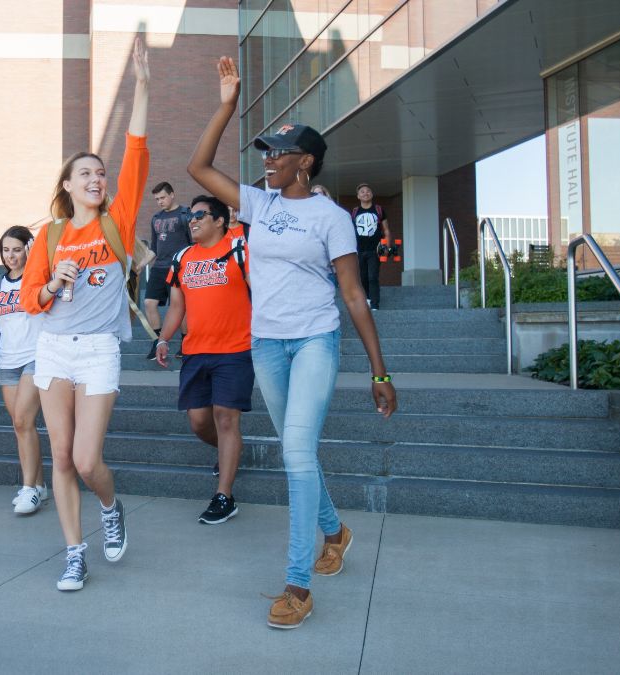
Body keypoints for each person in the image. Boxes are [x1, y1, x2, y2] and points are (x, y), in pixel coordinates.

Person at [188, 57, 397, 630]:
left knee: (296, 454)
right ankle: (335, 531)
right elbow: (198, 166)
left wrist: (380, 372)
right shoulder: (262, 205)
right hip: (267, 345)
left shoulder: (332, 218)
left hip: (314, 342)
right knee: (296, 449)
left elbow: (354, 296)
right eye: (265, 154)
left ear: (306, 162)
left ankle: (297, 584)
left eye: (277, 154)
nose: (267, 161)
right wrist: (226, 105)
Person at [20, 37, 150, 593]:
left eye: (102, 172)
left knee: (87, 457)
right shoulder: (49, 235)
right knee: (62, 459)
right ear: (68, 186)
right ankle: (74, 552)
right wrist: (51, 282)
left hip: (98, 349)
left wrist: (143, 87)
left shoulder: (116, 220)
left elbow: (138, 151)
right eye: (87, 174)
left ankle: (111, 505)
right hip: (53, 349)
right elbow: (29, 299)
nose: (98, 179)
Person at [155, 194, 251, 525]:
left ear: (220, 220)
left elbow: (261, 293)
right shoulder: (182, 258)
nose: (191, 220)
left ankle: (224, 496)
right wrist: (163, 338)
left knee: (226, 417)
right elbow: (177, 306)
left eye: (199, 215)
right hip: (195, 352)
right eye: (190, 216)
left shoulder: (240, 250)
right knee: (199, 421)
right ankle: (231, 452)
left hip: (236, 349)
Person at [0, 226, 47, 515]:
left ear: (28, 249)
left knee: (22, 420)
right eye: (6, 250)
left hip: (36, 357)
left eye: (17, 249)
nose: (11, 255)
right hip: (8, 361)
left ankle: (28, 489)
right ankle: (39, 486)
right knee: (22, 427)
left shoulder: (39, 279)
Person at [144, 181, 192, 360]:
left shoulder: (186, 214)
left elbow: (193, 244)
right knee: (149, 303)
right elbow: (154, 248)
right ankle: (158, 340)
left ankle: (185, 342)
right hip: (159, 267)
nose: (160, 201)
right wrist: (140, 264)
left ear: (172, 194)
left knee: (180, 307)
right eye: (157, 199)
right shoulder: (156, 218)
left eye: (162, 197)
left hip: (180, 267)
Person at [351, 183, 392, 311]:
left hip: (375, 250)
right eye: (362, 192)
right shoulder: (355, 212)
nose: (365, 193)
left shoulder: (379, 210)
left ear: (372, 194)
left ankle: (374, 304)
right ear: (358, 196)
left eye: (368, 191)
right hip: (359, 250)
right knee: (362, 277)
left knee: (373, 277)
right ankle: (367, 299)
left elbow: (386, 230)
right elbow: (350, 231)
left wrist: (387, 247)